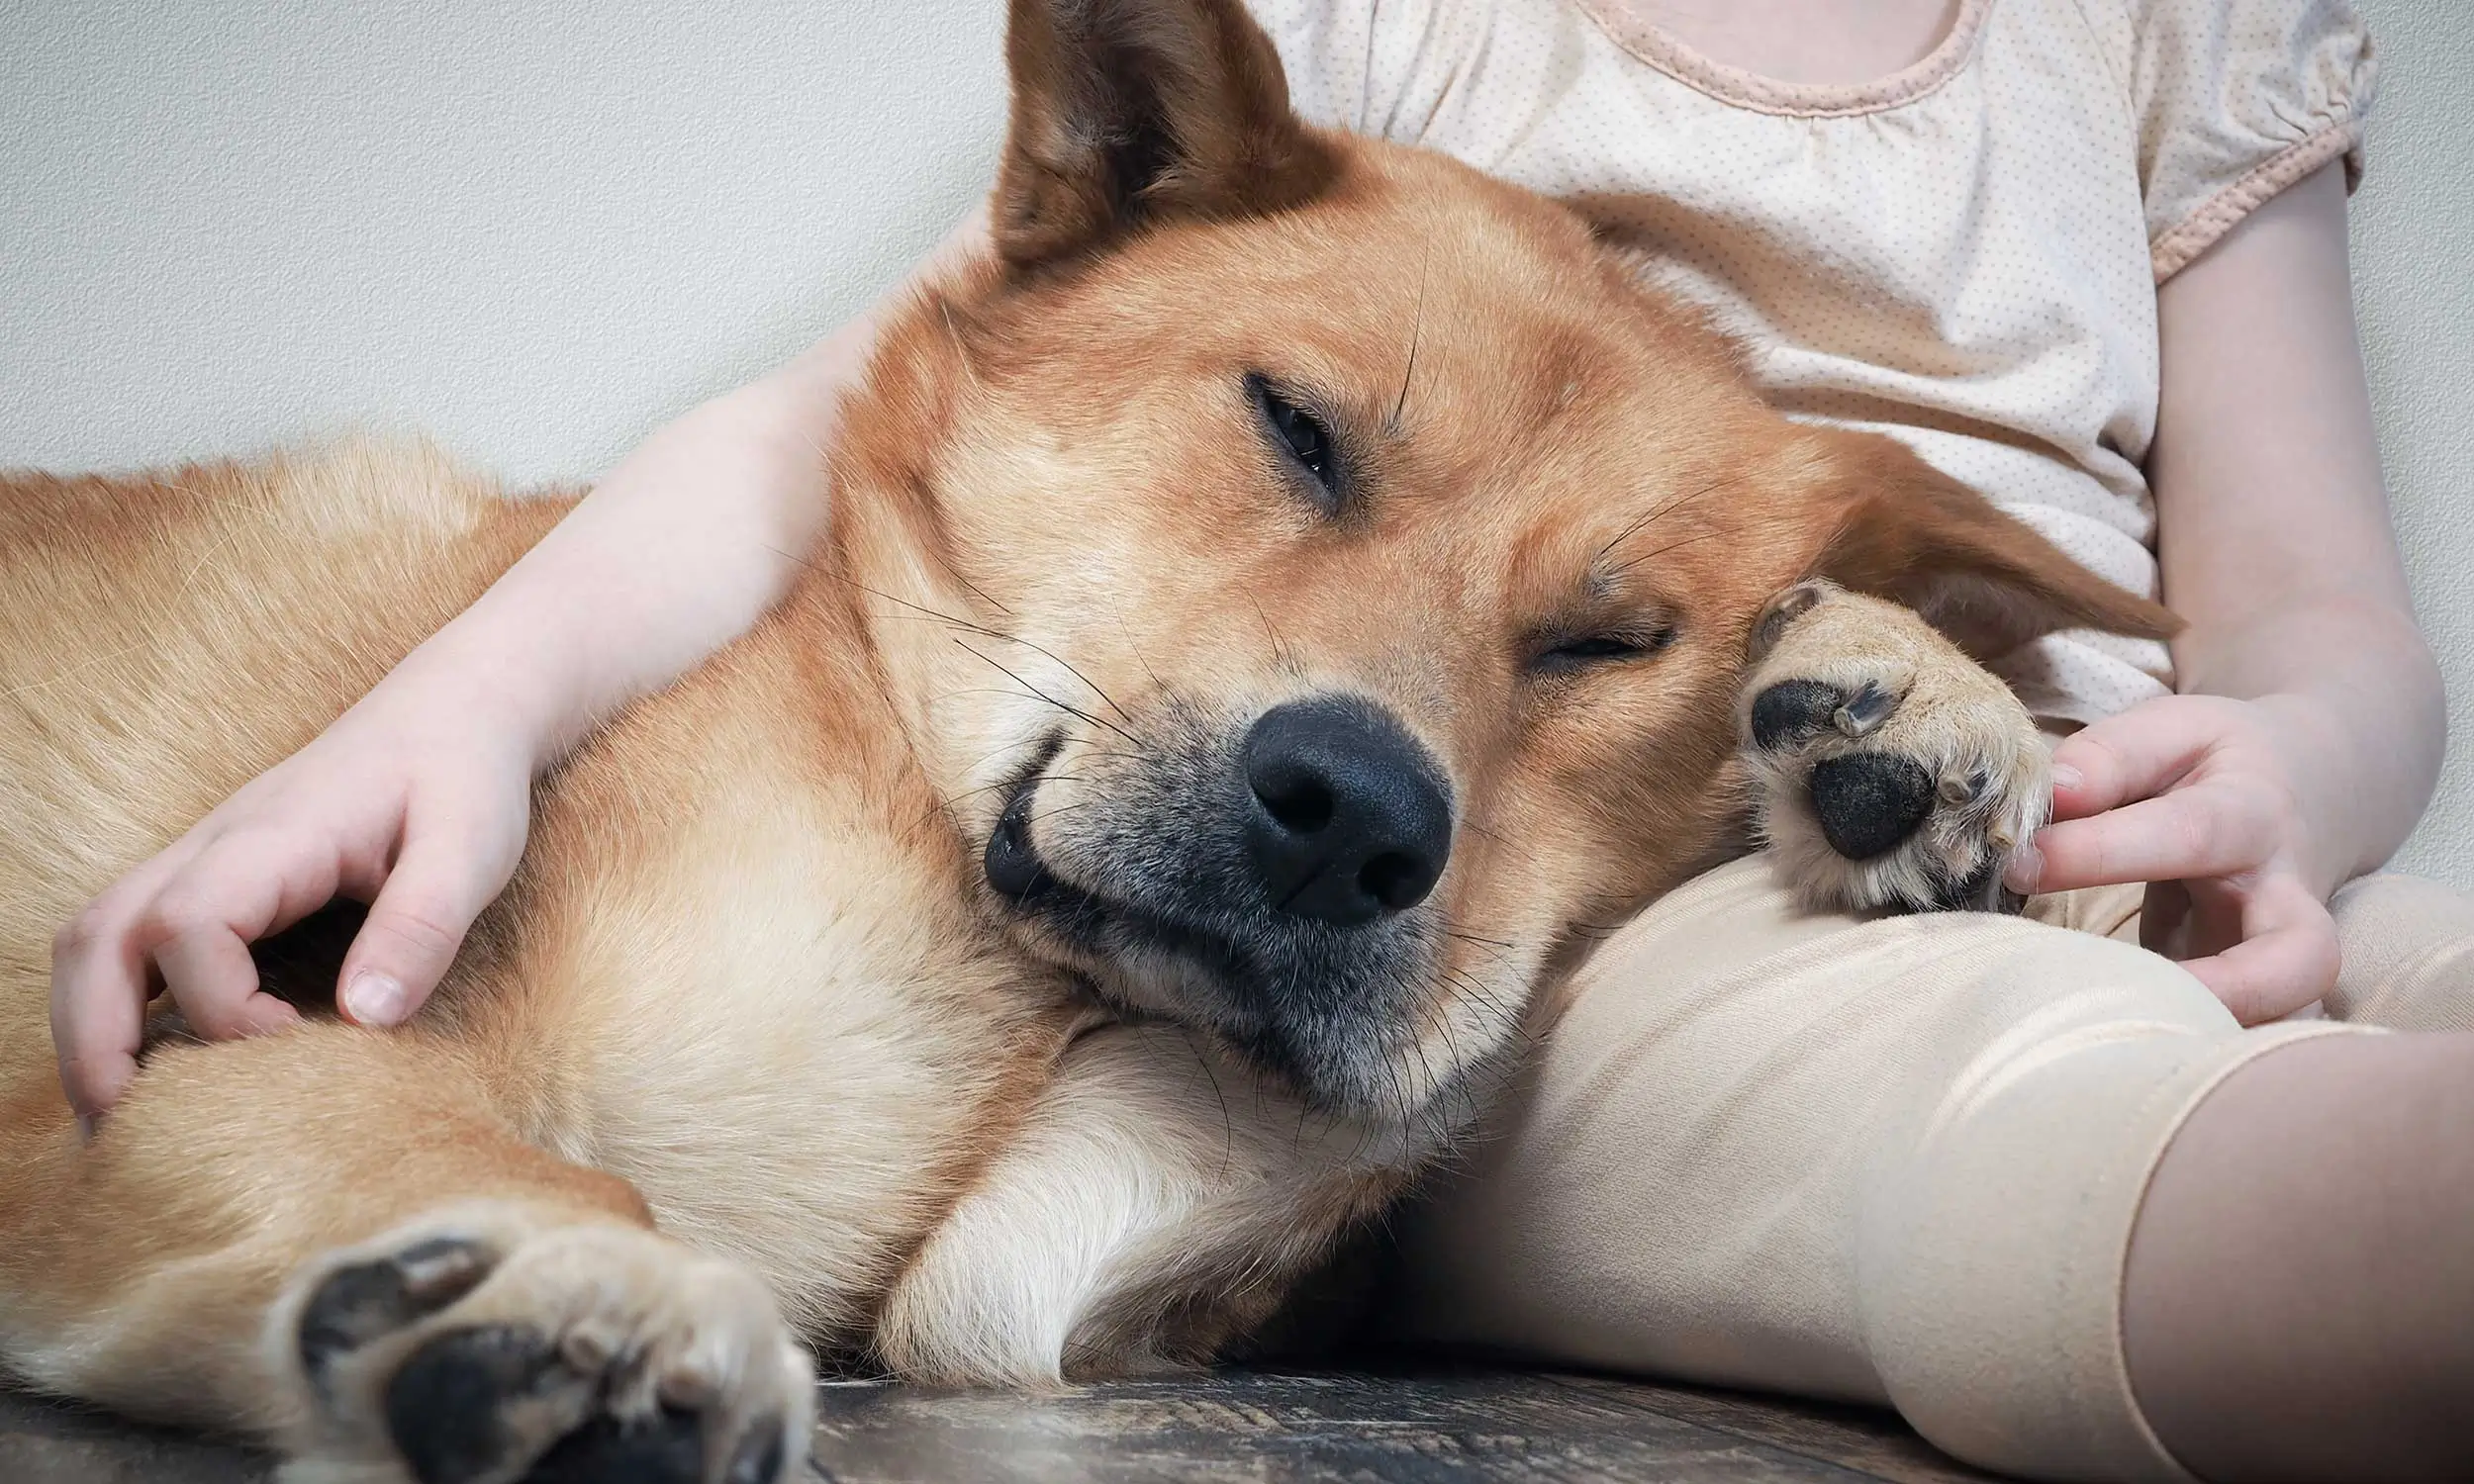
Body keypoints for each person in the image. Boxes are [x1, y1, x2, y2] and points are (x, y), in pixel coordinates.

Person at [46, 0, 2472, 1479]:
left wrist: (2294, 763)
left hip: (2062, 799)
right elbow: (810, 419)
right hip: (1795, 978)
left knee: (2415, 957)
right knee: (2013, 1095)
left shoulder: (2168, 34)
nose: (1365, 748)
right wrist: (462, 706)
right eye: (1300, 446)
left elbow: (2302, 607)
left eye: (1578, 637)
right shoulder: (842, 722)